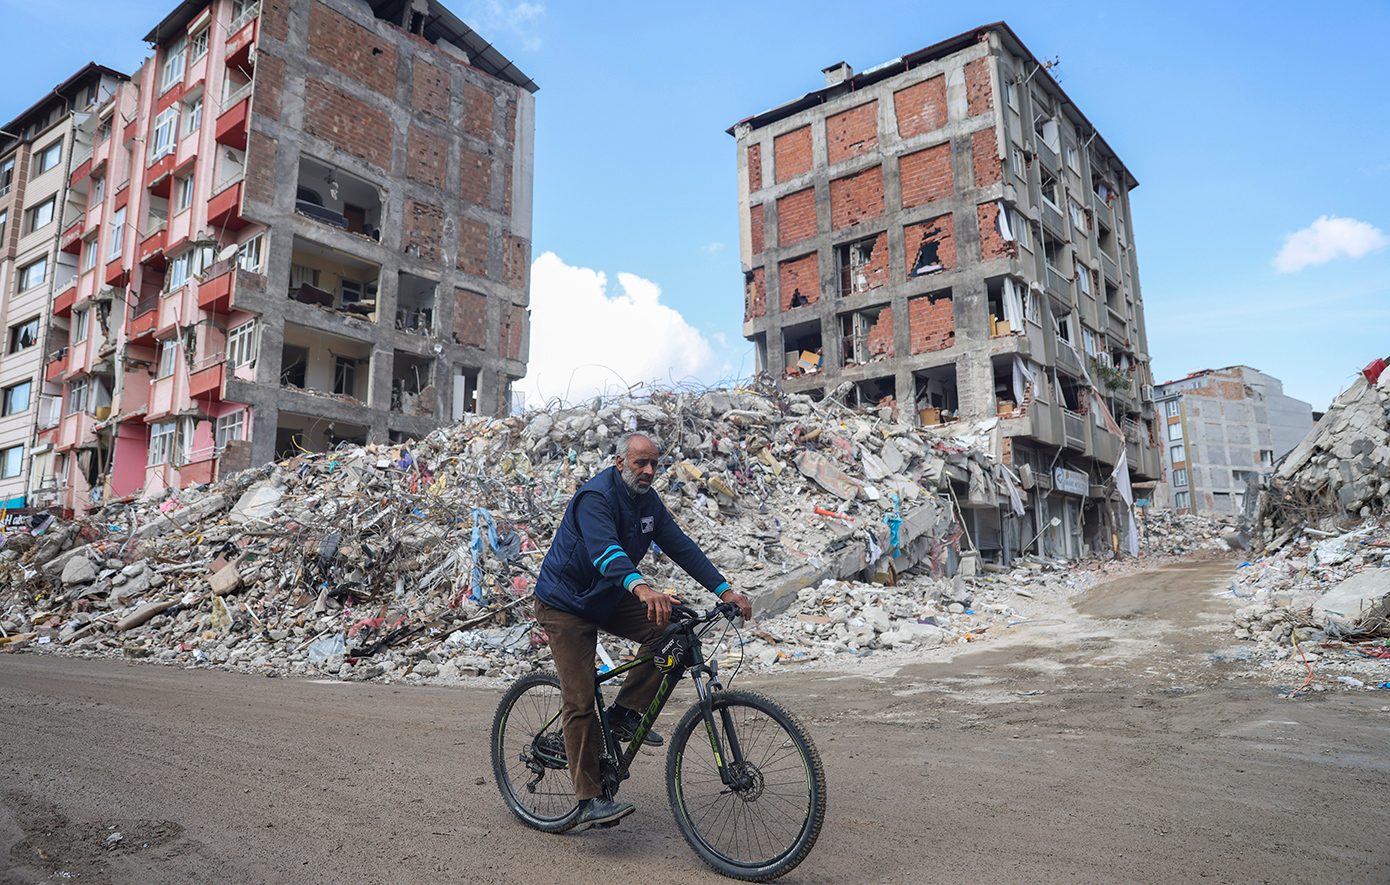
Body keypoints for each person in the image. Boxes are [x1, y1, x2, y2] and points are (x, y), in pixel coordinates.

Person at [533, 431, 753, 832]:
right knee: (580, 700)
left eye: (655, 463)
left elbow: (681, 546)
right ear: (620, 463)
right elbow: (605, 552)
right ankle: (588, 799)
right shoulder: (594, 498)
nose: (650, 470)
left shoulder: (647, 501)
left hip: (608, 595)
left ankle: (623, 714)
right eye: (641, 463)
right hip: (566, 603)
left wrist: (725, 589)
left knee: (671, 630)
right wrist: (642, 587)